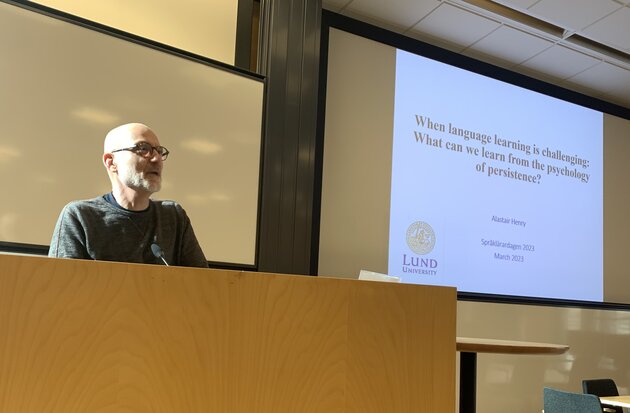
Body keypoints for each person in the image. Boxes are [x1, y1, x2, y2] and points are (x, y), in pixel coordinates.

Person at [49, 123, 208, 268]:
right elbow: (61, 288)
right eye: (143, 148)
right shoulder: (80, 216)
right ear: (111, 162)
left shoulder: (173, 216)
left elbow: (203, 285)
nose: (157, 159)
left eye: (159, 151)